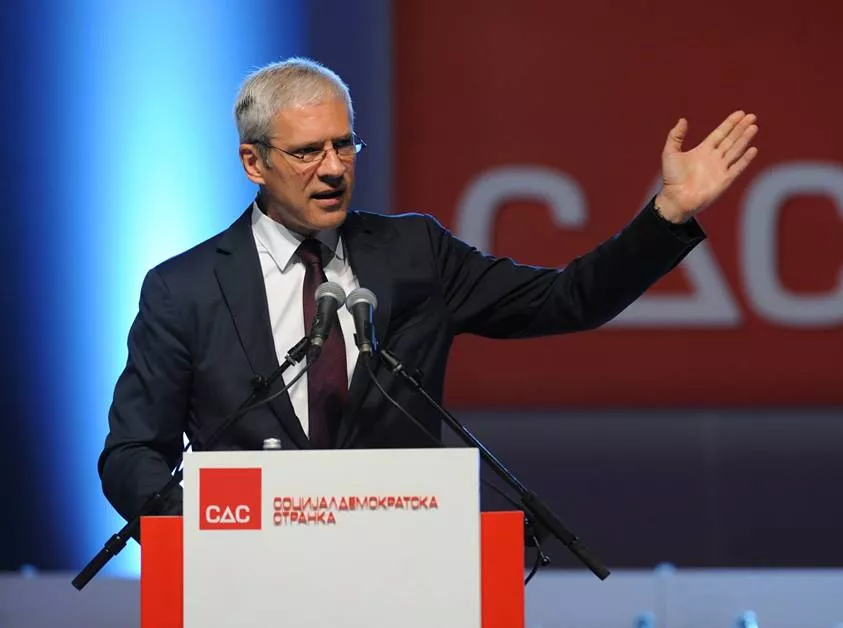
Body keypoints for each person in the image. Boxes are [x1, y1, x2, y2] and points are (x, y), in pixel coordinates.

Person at [98, 57, 758, 523]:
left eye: (344, 145)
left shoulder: (415, 254)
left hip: (403, 570)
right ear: (254, 162)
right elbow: (132, 454)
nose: (333, 169)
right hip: (248, 585)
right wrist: (203, 529)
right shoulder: (184, 290)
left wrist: (666, 215)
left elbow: (566, 300)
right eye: (306, 152)